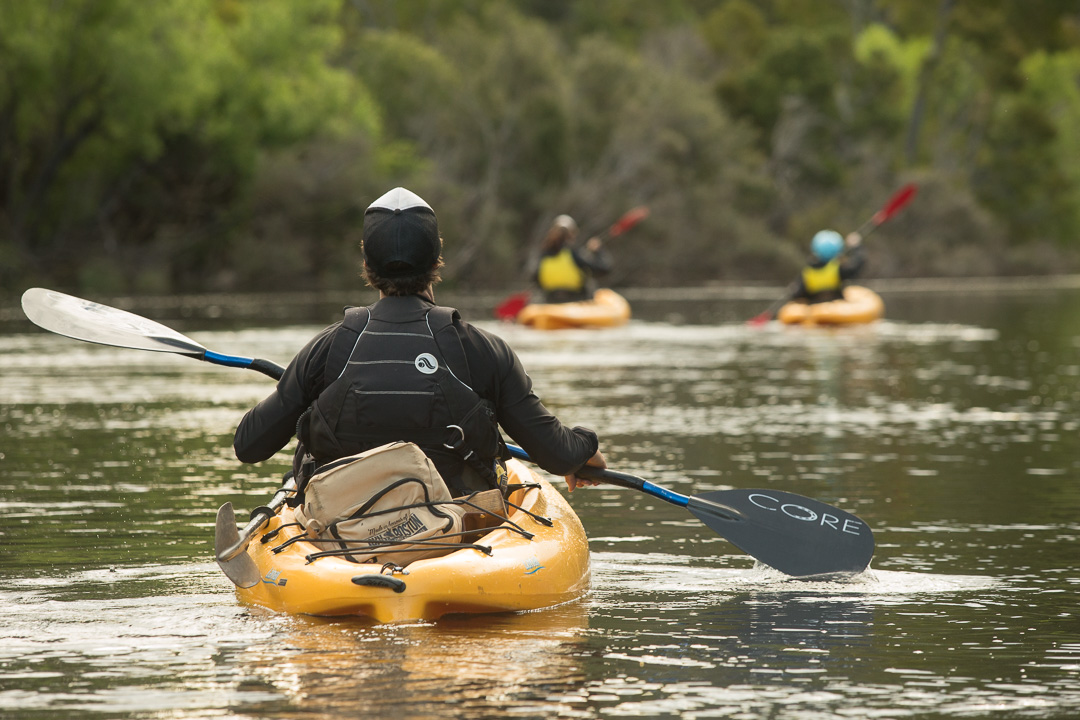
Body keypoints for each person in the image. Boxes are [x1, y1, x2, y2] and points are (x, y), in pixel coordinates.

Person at [234, 187, 606, 497]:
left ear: (366, 261)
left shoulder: (326, 350)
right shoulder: (482, 350)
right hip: (454, 530)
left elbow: (249, 445)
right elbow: (557, 455)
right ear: (436, 258)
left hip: (342, 527)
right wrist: (585, 449)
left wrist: (299, 394)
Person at [532, 214, 613, 303]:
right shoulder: (573, 254)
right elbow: (603, 269)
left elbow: (536, 280)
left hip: (551, 302)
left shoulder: (544, 256)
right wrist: (598, 251)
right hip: (576, 301)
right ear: (572, 234)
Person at [790, 229, 866, 304]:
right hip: (837, 311)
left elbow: (795, 294)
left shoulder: (807, 272)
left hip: (815, 313)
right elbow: (857, 264)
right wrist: (856, 247)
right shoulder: (837, 269)